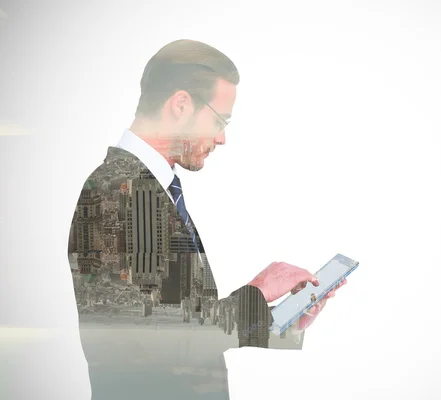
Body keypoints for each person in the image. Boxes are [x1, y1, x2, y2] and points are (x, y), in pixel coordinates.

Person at [67, 39, 346, 400]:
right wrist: (257, 292)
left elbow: (175, 325)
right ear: (181, 104)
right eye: (220, 120)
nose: (222, 137)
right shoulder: (113, 190)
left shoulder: (149, 187)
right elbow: (143, 344)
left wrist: (281, 321)